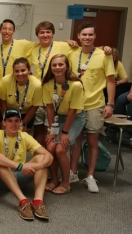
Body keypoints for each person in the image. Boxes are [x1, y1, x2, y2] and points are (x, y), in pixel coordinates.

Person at [69, 22, 115, 193]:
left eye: (90, 35)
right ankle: (73, 172)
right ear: (78, 36)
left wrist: (110, 103)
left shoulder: (104, 55)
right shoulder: (72, 54)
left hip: (95, 104)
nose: (87, 37)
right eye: (84, 35)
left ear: (95, 36)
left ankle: (89, 176)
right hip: (75, 104)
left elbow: (110, 81)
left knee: (92, 141)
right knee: (75, 140)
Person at [0, 109, 53, 220]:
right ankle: (23, 201)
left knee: (42, 158)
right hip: (0, 178)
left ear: (20, 122)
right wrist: (19, 166)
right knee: (0, 161)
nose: (13, 124)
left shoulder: (24, 136)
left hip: (21, 175)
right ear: (4, 123)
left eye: (16, 121)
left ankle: (37, 201)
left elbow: (49, 156)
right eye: (10, 121)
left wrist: (38, 166)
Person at [42, 54, 85, 194]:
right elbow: (49, 108)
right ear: (50, 67)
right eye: (54, 65)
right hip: (57, 118)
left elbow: (73, 110)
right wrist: (51, 131)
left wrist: (64, 133)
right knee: (50, 147)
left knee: (60, 149)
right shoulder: (48, 84)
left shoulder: (76, 85)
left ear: (67, 66)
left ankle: (66, 183)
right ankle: (54, 180)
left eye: (61, 64)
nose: (57, 67)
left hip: (75, 118)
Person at [0, 58, 42, 134]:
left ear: (29, 70)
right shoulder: (5, 81)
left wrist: (22, 124)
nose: (20, 74)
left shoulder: (37, 84)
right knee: (7, 134)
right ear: (13, 71)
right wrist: (6, 120)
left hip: (26, 113)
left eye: (23, 70)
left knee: (23, 136)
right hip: (9, 112)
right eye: (16, 71)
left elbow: (35, 107)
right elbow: (3, 102)